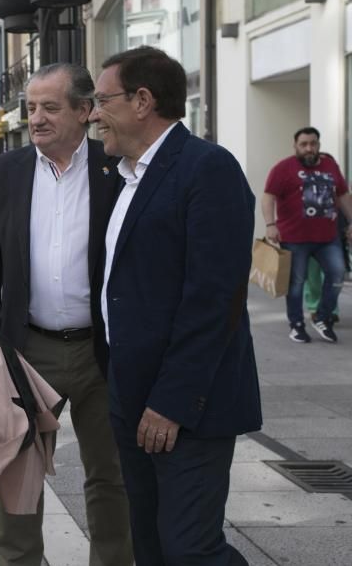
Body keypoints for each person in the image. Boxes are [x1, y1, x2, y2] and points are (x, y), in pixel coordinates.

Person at [90, 46, 262, 564]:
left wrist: (171, 403)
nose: (94, 113)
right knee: (151, 544)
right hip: (131, 394)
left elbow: (213, 300)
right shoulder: (125, 177)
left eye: (102, 100)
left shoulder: (207, 168)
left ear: (142, 101)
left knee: (191, 550)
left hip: (187, 406)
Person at [0, 63, 132, 566]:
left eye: (50, 107)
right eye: (31, 107)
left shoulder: (117, 170)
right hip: (28, 348)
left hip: (100, 350)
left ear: (85, 111)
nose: (36, 118)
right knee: (19, 473)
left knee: (110, 475)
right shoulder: (5, 171)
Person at [263, 128, 352, 343]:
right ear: (295, 146)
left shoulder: (330, 166)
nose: (309, 148)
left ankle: (322, 317)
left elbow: (342, 195)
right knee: (296, 282)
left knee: (338, 274)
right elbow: (268, 196)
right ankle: (296, 324)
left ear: (319, 145)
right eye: (304, 144)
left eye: (313, 143)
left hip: (327, 237)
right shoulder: (283, 168)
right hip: (294, 238)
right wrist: (270, 224)